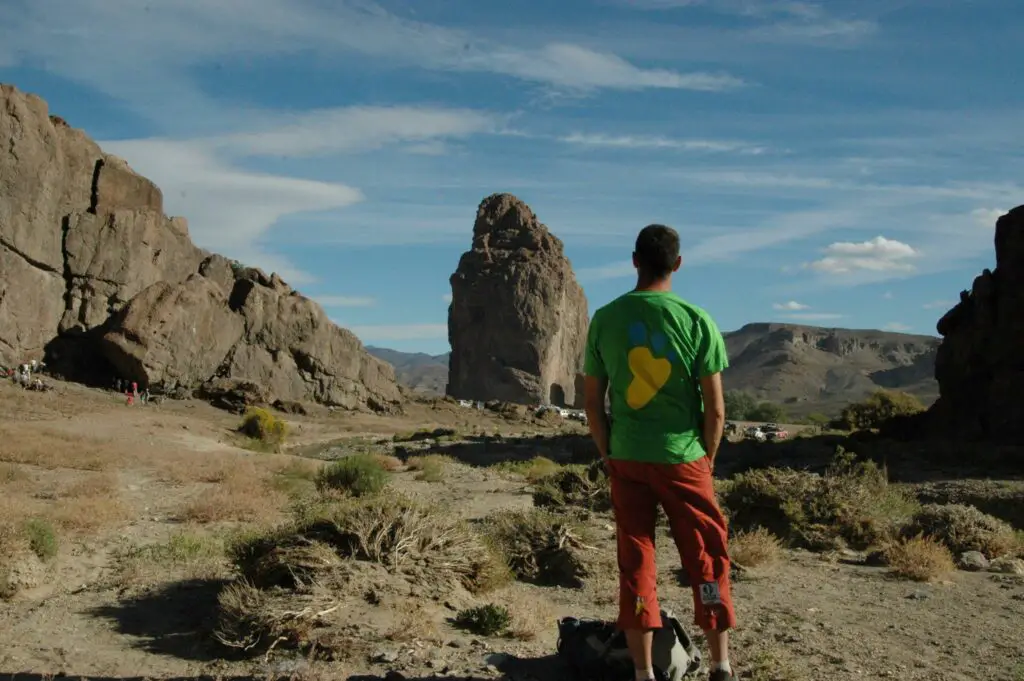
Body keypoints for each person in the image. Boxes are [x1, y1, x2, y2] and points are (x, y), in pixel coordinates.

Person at [582, 224, 737, 681]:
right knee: (706, 555)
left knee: (636, 559)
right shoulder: (697, 319)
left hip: (627, 458)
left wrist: (608, 452)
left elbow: (592, 403)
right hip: (685, 458)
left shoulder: (606, 319)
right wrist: (706, 459)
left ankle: (644, 672)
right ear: (679, 264)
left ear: (634, 261)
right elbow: (717, 408)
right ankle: (720, 664)